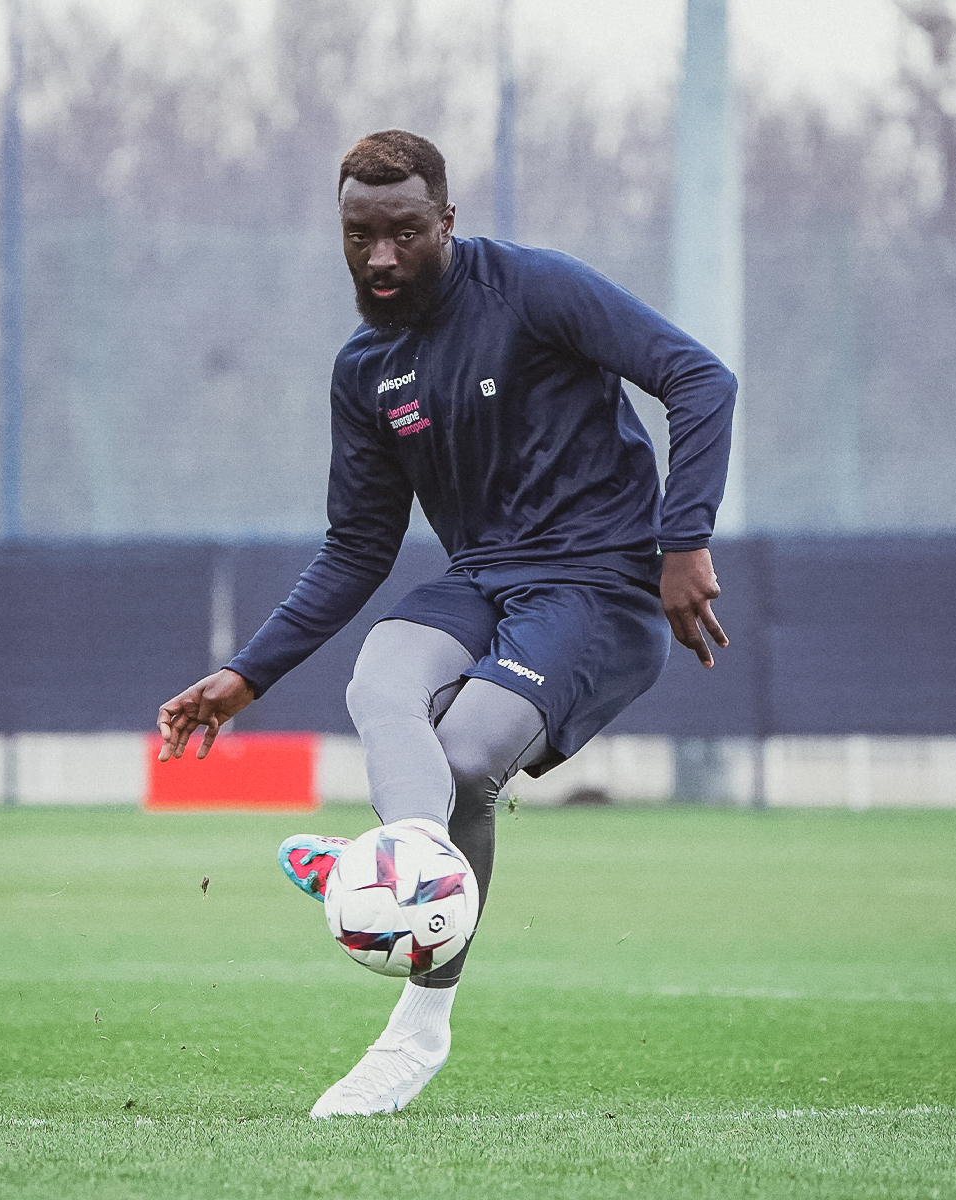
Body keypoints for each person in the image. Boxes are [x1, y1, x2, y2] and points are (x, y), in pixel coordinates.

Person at [155, 129, 735, 1118]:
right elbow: (356, 548)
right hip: (483, 582)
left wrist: (683, 543)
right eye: (358, 235)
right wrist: (247, 675)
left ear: (447, 224)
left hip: (597, 591)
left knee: (466, 759)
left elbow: (699, 377)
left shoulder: (534, 290)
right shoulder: (364, 370)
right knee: (379, 676)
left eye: (405, 234)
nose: (380, 258)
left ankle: (415, 1029)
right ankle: (389, 868)